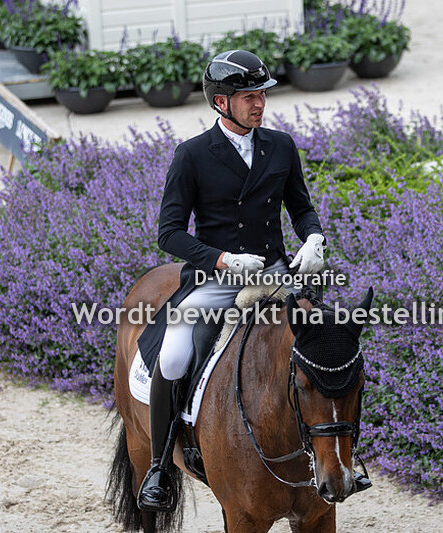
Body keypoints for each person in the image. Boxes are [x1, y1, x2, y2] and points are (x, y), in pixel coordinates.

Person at [137, 49, 326, 511]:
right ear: (221, 102)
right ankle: (162, 465)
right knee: (177, 352)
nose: (259, 103)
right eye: (248, 96)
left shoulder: (280, 145)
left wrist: (314, 236)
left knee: (328, 345)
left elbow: (299, 205)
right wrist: (221, 259)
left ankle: (338, 455)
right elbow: (170, 233)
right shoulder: (193, 155)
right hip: (216, 280)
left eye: (261, 94)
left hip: (277, 274)